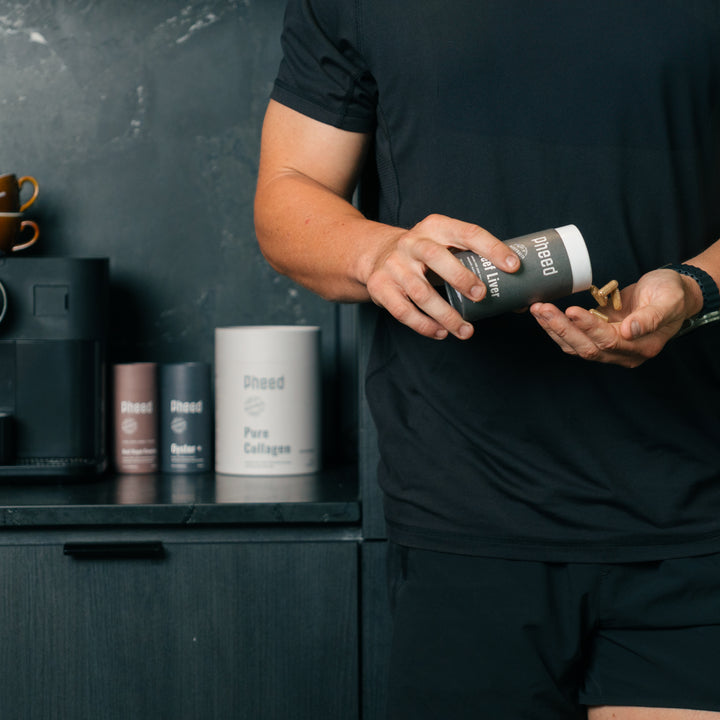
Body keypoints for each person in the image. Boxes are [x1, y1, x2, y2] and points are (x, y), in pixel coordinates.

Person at [254, 1, 720, 718]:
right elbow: (289, 192)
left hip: (697, 514)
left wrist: (695, 290)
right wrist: (375, 252)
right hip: (461, 511)